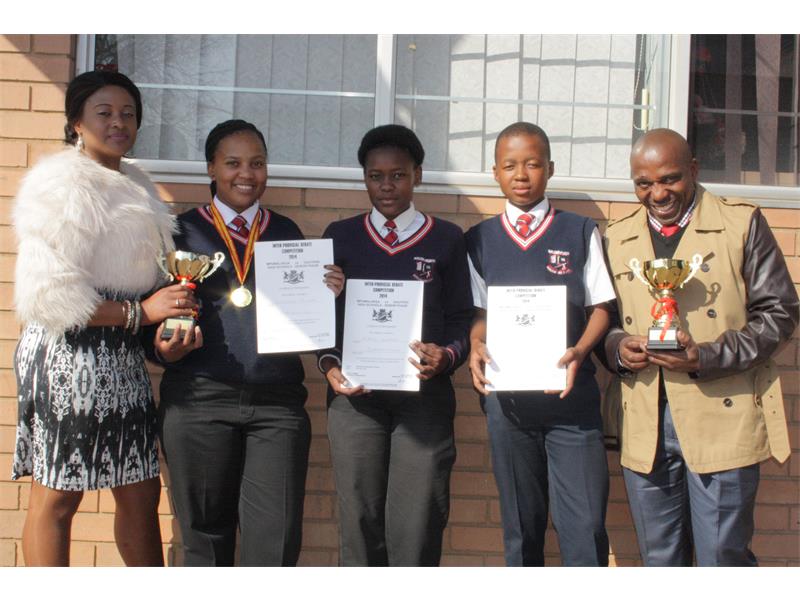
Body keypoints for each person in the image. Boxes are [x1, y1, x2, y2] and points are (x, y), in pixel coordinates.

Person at [11, 70, 196, 566]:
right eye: (104, 113)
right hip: (68, 355)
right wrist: (142, 312)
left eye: (128, 113)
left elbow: (146, 280)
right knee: (59, 495)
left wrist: (169, 310)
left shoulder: (135, 183)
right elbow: (49, 297)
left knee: (139, 488)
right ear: (76, 122)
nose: (119, 122)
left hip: (121, 353)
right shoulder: (61, 184)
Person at [601, 128, 798, 566]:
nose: (657, 194)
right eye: (644, 183)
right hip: (646, 420)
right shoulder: (615, 236)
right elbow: (603, 319)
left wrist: (705, 356)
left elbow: (780, 314)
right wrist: (618, 348)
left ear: (693, 170)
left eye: (669, 179)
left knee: (721, 559)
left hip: (721, 413)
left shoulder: (741, 224)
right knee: (660, 559)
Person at [153, 119, 344, 566]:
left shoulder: (286, 232)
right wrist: (162, 348)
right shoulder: (177, 233)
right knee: (204, 539)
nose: (246, 173)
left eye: (257, 163)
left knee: (275, 543)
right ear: (211, 169)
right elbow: (153, 318)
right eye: (233, 163)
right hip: (199, 400)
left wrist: (327, 297)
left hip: (276, 405)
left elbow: (305, 323)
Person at [318, 124, 473, 566]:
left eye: (398, 175)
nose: (387, 186)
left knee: (418, 519)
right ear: (364, 178)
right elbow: (316, 318)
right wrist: (329, 365)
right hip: (356, 399)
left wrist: (447, 356)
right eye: (376, 176)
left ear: (417, 175)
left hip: (423, 399)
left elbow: (463, 317)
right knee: (359, 517)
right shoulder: (340, 236)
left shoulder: (447, 238)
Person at [466, 122, 615, 567]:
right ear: (495, 172)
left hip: (571, 401)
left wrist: (580, 351)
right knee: (521, 529)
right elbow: (480, 316)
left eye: (532, 164)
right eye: (510, 165)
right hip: (509, 405)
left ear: (550, 168)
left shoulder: (579, 230)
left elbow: (602, 308)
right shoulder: (479, 240)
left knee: (586, 527)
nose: (521, 174)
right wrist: (475, 344)